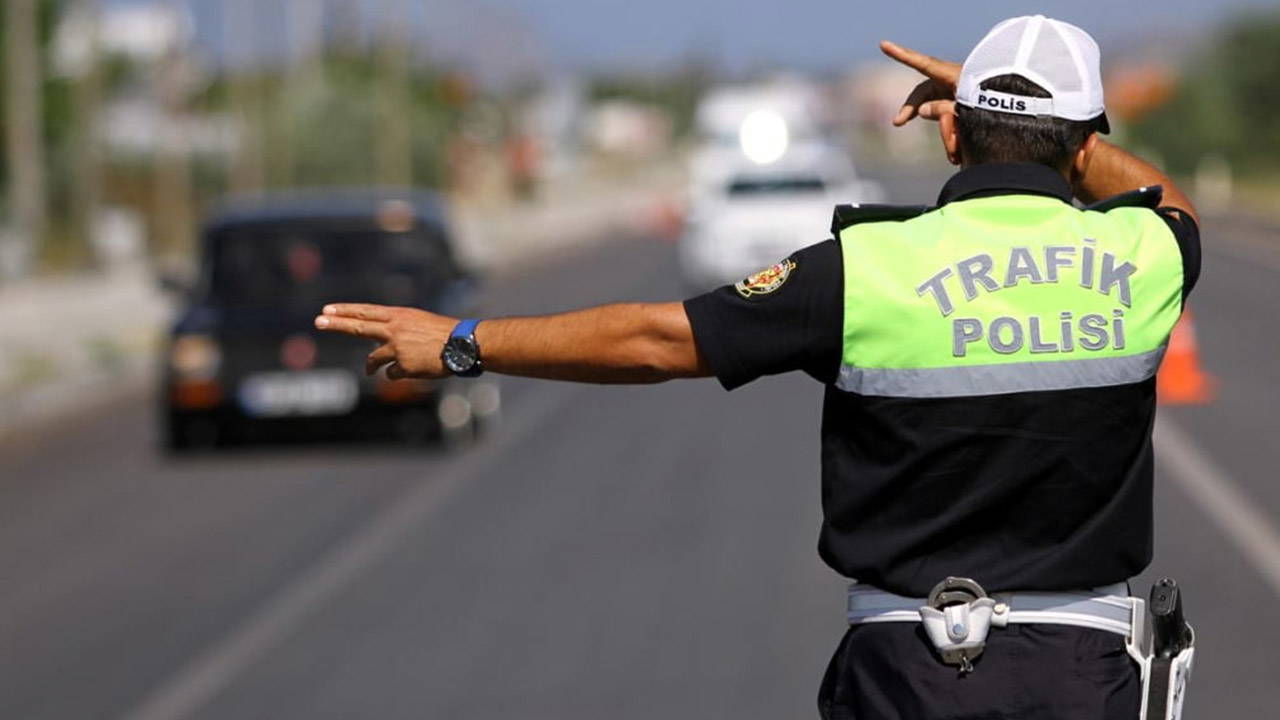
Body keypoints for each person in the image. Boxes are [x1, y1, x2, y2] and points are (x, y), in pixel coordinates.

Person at [316, 16, 1199, 720]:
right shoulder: (1147, 254)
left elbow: (655, 340)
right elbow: (1165, 196)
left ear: (951, 134)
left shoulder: (863, 269)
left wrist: (465, 340)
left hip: (909, 673)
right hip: (1086, 676)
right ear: (1083, 149)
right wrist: (1045, 134)